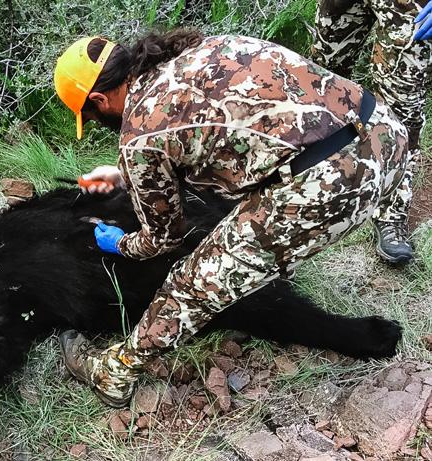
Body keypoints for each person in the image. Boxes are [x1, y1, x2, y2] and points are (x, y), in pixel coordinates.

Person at [52, 31, 411, 407]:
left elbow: (162, 238)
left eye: (91, 117)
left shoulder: (139, 134)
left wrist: (120, 243)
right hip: (385, 136)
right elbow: (212, 142)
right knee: (243, 200)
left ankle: (114, 373)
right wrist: (128, 175)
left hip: (338, 183)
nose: (97, 121)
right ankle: (279, 256)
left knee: (191, 285)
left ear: (99, 100)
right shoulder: (205, 48)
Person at [312, 0, 432, 263]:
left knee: (402, 113)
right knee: (322, 79)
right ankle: (313, 175)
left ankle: (391, 213)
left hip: (413, 7)